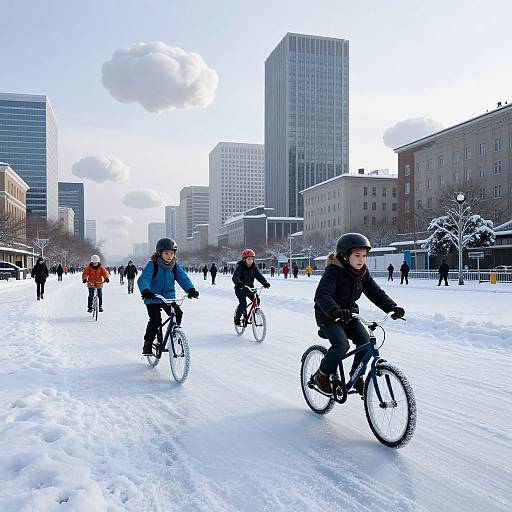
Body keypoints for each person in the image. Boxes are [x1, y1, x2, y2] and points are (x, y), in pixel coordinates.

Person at [313, 233, 405, 395]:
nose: (361, 259)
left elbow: (376, 293)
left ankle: (357, 376)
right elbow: (322, 295)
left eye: (364, 256)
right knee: (342, 344)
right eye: (357, 255)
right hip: (328, 316)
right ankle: (322, 375)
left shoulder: (362, 273)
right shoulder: (333, 271)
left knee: (365, 342)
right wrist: (335, 311)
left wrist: (392, 307)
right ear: (344, 255)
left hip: (350, 315)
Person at [137, 238, 199, 356]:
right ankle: (148, 343)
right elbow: (143, 279)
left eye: (172, 253)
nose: (169, 256)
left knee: (178, 313)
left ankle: (174, 334)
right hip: (153, 297)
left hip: (168, 298)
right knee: (155, 320)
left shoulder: (175, 266)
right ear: (159, 253)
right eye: (166, 253)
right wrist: (146, 290)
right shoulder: (153, 265)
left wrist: (190, 289)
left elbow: (183, 278)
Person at [232, 249, 270, 326]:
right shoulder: (240, 267)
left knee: (257, 300)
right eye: (249, 259)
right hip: (240, 289)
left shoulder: (254, 268)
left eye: (252, 259)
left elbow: (259, 276)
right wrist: (240, 285)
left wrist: (265, 282)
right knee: (243, 304)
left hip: (250, 289)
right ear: (244, 259)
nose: (250, 261)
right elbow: (235, 278)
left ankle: (254, 313)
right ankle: (237, 318)